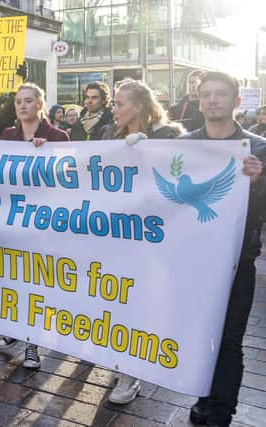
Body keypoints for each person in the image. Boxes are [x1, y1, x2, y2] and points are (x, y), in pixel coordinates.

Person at [180, 71, 266, 427]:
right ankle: (206, 396)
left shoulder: (259, 148)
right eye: (207, 95)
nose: (213, 100)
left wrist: (260, 181)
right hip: (194, 262)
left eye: (221, 94)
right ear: (200, 102)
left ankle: (221, 413)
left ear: (235, 101)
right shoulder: (182, 146)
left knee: (230, 340)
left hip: (236, 264)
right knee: (202, 335)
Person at [99, 79, 185, 404]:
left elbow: (173, 183)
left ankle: (131, 374)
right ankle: (123, 362)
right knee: (117, 300)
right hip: (117, 235)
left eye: (119, 103)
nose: (114, 109)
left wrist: (148, 153)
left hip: (151, 238)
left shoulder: (170, 135)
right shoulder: (110, 135)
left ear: (138, 106)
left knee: (138, 302)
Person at [0, 82, 69, 369]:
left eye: (29, 101)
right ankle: (17, 329)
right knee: (15, 280)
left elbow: (69, 177)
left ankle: (33, 344)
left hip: (43, 223)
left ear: (40, 104)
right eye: (18, 101)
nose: (23, 105)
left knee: (36, 284)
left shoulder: (58, 136)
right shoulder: (7, 135)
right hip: (14, 219)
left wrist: (46, 155)